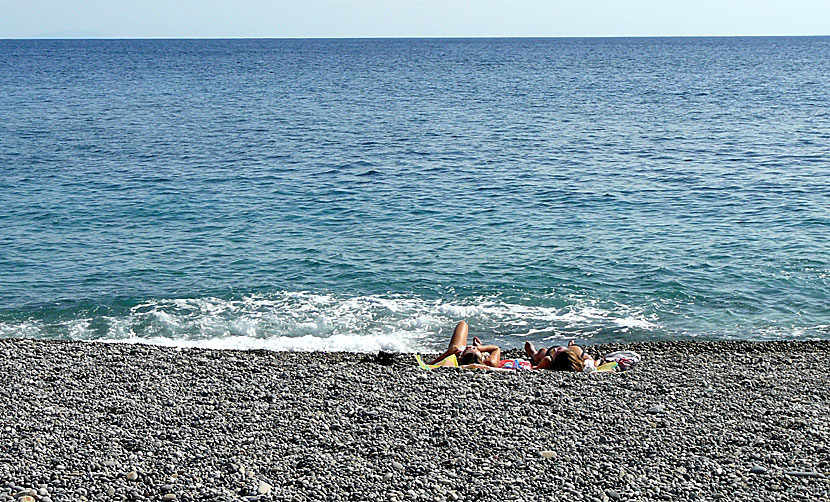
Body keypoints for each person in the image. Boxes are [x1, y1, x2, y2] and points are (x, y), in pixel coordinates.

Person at [431, 321, 531, 371]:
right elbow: (496, 349)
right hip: (471, 355)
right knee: (463, 324)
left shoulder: (456, 359)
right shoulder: (490, 362)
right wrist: (480, 348)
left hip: (459, 352)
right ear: (483, 357)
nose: (470, 346)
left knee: (463, 324)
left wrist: (448, 353)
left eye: (470, 348)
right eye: (473, 348)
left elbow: (431, 366)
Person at [524, 339, 597, 372]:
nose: (555, 350)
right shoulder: (584, 362)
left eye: (556, 352)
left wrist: (536, 366)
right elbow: (593, 361)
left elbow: (536, 367)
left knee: (541, 353)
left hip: (569, 354)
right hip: (574, 353)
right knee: (577, 350)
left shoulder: (549, 359)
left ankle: (533, 353)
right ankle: (570, 346)